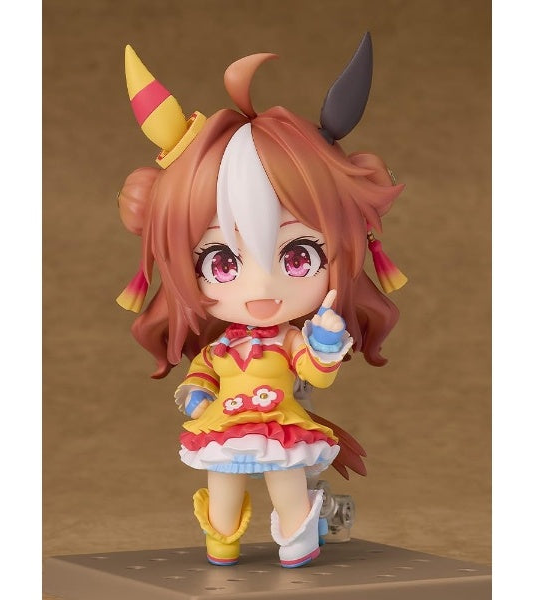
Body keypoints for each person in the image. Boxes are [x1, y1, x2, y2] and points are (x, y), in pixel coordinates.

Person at [116, 33, 406, 568]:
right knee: (222, 487)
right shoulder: (221, 350)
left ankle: (298, 539)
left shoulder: (289, 340)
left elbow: (315, 374)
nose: (261, 288)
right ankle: (221, 540)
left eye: (298, 256)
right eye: (222, 264)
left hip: (282, 424)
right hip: (224, 426)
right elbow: (201, 374)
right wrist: (196, 393)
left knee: (286, 483)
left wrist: (323, 344)